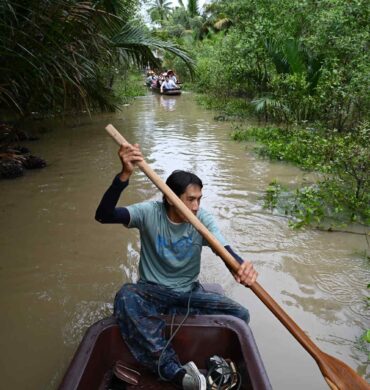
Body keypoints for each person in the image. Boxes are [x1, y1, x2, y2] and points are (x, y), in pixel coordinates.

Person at [95, 143, 258, 390]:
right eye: (190, 199)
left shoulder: (201, 219)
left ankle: (215, 363)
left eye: (199, 199)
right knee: (126, 296)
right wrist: (124, 175)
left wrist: (239, 266)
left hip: (189, 294)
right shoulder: (149, 213)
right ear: (171, 198)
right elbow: (104, 215)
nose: (195, 207)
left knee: (240, 316)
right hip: (152, 292)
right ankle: (175, 372)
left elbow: (222, 248)